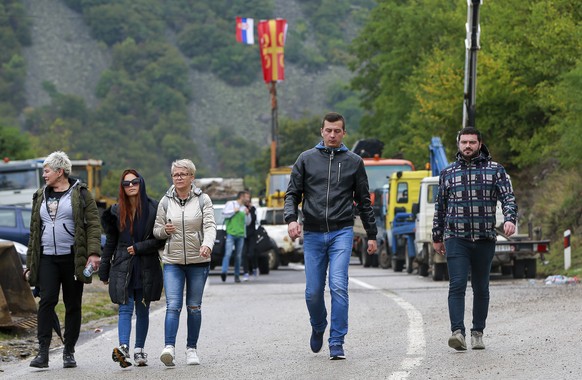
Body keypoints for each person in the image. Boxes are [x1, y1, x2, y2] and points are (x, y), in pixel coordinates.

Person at [284, 112, 378, 360]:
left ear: (344, 133)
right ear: (322, 131)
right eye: (328, 130)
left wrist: (371, 234)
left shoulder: (354, 161)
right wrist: (291, 219)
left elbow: (364, 201)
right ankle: (318, 326)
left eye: (337, 131)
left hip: (341, 232)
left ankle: (337, 341)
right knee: (313, 292)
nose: (333, 135)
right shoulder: (306, 159)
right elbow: (293, 193)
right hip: (313, 233)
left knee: (338, 286)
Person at [432, 127, 517, 351]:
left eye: (472, 142)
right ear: (458, 144)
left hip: (484, 237)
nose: (467, 146)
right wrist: (436, 236)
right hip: (456, 237)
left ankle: (477, 332)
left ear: (480, 144)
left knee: (481, 287)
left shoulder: (495, 170)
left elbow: (508, 197)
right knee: (457, 284)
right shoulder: (448, 172)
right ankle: (457, 332)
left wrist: (510, 219)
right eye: (464, 142)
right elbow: (440, 207)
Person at [25, 151, 102, 369]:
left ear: (60, 172)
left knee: (72, 305)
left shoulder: (81, 194)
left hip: (72, 258)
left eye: (47, 171)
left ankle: (69, 351)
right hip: (47, 257)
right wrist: (31, 264)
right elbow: (34, 232)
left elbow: (94, 225)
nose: (44, 175)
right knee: (46, 302)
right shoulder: (39, 195)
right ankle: (43, 352)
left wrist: (94, 253)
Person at [154, 159, 216, 367]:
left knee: (194, 307)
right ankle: (169, 348)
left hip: (199, 260)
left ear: (192, 177)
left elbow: (210, 225)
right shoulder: (165, 201)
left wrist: (207, 244)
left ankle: (191, 349)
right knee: (173, 305)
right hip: (173, 261)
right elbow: (156, 230)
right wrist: (164, 231)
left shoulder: (203, 200)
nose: (178, 178)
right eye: (175, 175)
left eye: (183, 174)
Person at [99, 169, 164, 368]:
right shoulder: (115, 211)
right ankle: (124, 349)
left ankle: (139, 351)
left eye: (134, 182)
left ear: (141, 182)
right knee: (124, 309)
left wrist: (139, 247)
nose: (131, 186)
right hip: (123, 265)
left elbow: (160, 240)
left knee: (143, 309)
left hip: (146, 265)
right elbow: (110, 241)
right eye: (126, 183)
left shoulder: (154, 208)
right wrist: (104, 267)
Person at [220, 191, 251, 283]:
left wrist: (248, 214)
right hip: (231, 233)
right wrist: (234, 211)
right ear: (241, 197)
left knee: (238, 256)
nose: (248, 199)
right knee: (228, 254)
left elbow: (248, 222)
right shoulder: (231, 204)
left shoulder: (244, 208)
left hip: (241, 235)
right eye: (246, 197)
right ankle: (224, 272)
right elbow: (224, 214)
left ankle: (236, 276)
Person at [242, 192, 259, 281]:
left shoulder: (253, 208)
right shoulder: (241, 208)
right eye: (245, 197)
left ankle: (254, 267)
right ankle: (246, 272)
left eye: (248, 197)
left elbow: (254, 220)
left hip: (252, 234)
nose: (247, 199)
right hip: (242, 234)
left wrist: (250, 210)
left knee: (251, 253)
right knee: (244, 254)